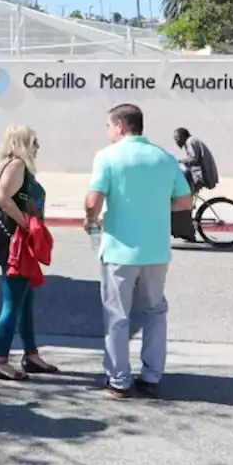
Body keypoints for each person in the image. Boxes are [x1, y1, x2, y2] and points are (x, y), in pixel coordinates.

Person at [85, 104, 194, 399]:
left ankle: (119, 381)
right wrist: (160, 206)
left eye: (108, 126)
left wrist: (92, 219)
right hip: (156, 251)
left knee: (117, 316)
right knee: (155, 312)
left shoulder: (107, 157)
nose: (107, 132)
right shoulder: (164, 158)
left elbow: (93, 200)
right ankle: (151, 376)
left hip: (120, 249)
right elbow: (186, 202)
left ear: (120, 126)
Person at [0, 125, 59, 381]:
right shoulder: (17, 164)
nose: (37, 146)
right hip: (15, 243)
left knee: (24, 300)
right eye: (34, 141)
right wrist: (25, 223)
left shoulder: (10, 164)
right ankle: (1, 361)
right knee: (13, 301)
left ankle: (31, 355)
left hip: (15, 241)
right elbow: (1, 197)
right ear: (21, 143)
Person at [174, 127, 219, 194]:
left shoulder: (190, 141)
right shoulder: (192, 140)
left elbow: (193, 159)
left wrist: (178, 161)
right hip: (201, 173)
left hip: (201, 175)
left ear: (183, 136)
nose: (176, 141)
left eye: (177, 138)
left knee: (180, 189)